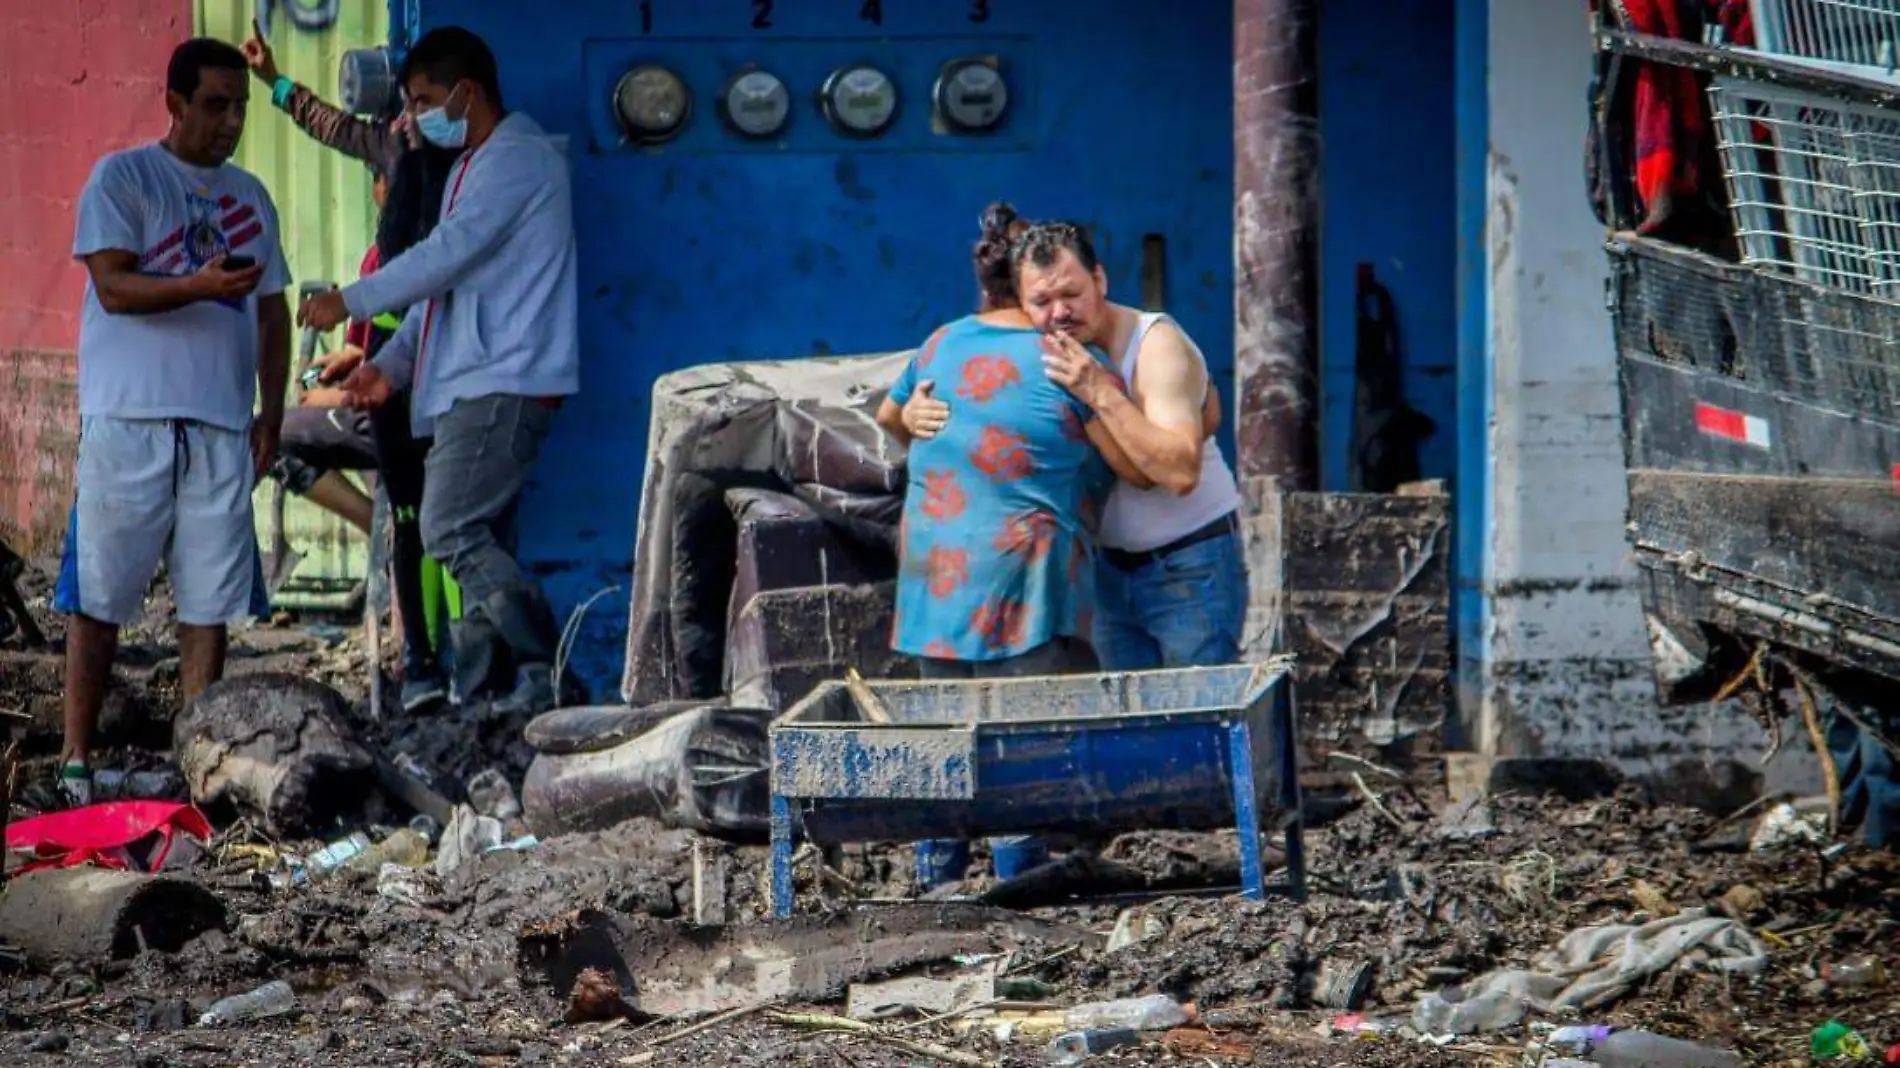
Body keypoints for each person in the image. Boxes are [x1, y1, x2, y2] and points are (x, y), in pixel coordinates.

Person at [298, 26, 579, 717]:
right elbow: (441, 294)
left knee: (448, 526)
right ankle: (483, 693)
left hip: (503, 382)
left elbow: (443, 257)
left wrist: (351, 301)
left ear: (466, 93)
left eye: (424, 99)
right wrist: (391, 365)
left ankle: (548, 663)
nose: (413, 117)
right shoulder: (470, 169)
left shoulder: (517, 159)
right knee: (481, 534)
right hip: (470, 383)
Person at [56, 38, 291, 804]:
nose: (229, 122)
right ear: (176, 104)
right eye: (215, 104)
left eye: (240, 107)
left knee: (210, 599)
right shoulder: (124, 178)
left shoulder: (251, 196)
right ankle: (75, 759)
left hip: (221, 424)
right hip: (129, 419)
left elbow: (273, 311)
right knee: (101, 595)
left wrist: (271, 411)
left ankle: (196, 757)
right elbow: (116, 288)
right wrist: (197, 283)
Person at [875, 203, 1136, 888]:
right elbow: (1138, 465)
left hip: (935, 579)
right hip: (1024, 579)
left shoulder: (938, 345)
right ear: (1025, 288)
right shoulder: (1071, 363)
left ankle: (938, 889)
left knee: (943, 739)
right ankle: (1018, 887)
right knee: (1019, 745)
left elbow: (886, 416)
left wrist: (914, 420)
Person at [903, 221, 1247, 671]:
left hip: (1188, 568)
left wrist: (1099, 391)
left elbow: (1180, 473)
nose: (1060, 312)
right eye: (1042, 302)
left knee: (1200, 726)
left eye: (1073, 294)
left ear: (1100, 280)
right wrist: (913, 412)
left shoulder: (1155, 346)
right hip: (1108, 576)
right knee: (1126, 733)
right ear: (1022, 307)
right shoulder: (1051, 358)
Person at [243, 19, 457, 712]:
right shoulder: (390, 143)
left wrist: (362, 338)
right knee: (410, 510)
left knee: (438, 515)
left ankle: (446, 655)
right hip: (388, 377)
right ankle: (421, 654)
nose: (416, 113)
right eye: (410, 100)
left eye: (428, 99)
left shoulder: (473, 168)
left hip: (441, 370)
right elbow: (326, 122)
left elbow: (433, 285)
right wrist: (274, 80)